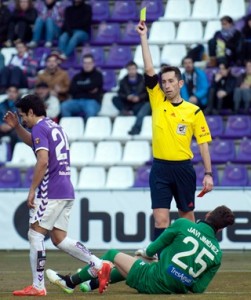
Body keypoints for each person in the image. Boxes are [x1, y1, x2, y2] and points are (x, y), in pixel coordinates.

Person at [3, 94, 112, 296]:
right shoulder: (55, 126)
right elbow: (35, 144)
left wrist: (32, 189)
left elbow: (42, 161)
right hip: (66, 188)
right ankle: (98, 264)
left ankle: (38, 286)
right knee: (59, 239)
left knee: (35, 234)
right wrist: (17, 127)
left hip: (51, 189)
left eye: (22, 116)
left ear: (31, 112)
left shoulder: (39, 128)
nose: (23, 120)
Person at [133, 21, 213, 246]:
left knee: (187, 219)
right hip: (160, 169)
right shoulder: (157, 100)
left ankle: (189, 257)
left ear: (180, 83)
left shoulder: (194, 111)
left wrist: (208, 173)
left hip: (183, 169)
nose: (166, 86)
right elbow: (149, 69)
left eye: (170, 82)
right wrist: (143, 37)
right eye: (163, 82)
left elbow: (204, 143)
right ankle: (159, 262)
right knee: (160, 219)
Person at [46, 205, 235, 295]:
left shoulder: (184, 224)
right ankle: (93, 283)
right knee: (141, 264)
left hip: (154, 282)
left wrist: (146, 254)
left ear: (209, 214)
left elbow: (152, 249)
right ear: (220, 229)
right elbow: (198, 288)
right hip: (175, 287)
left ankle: (71, 282)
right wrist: (178, 275)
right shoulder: (217, 254)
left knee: (113, 254)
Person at [60, 54, 103, 120]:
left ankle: (87, 129)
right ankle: (70, 127)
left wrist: (79, 86)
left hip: (92, 101)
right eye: (85, 63)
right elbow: (72, 90)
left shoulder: (98, 75)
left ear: (93, 63)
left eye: (89, 63)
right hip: (76, 101)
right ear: (82, 64)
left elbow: (92, 86)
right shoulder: (77, 76)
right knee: (64, 106)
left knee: (91, 110)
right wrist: (88, 88)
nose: (87, 65)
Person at [0, 86, 20, 153]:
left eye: (14, 92)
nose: (11, 93)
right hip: (2, 127)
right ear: (7, 92)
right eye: (10, 91)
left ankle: (12, 156)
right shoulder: (1, 105)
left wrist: (11, 126)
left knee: (15, 134)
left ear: (17, 94)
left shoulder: (20, 106)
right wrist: (1, 125)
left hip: (14, 128)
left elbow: (22, 119)